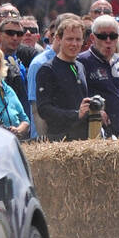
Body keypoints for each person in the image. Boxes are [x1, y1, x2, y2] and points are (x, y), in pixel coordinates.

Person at [33, 14, 98, 142]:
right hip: (60, 141)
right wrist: (75, 114)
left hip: (83, 139)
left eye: (78, 39)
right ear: (58, 39)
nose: (74, 44)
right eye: (69, 39)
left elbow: (79, 101)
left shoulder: (80, 66)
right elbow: (44, 109)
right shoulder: (47, 69)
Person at [77, 14, 119, 137]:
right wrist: (95, 110)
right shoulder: (82, 61)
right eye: (103, 36)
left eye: (113, 36)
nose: (108, 41)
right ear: (93, 38)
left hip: (117, 129)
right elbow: (77, 95)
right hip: (95, 129)